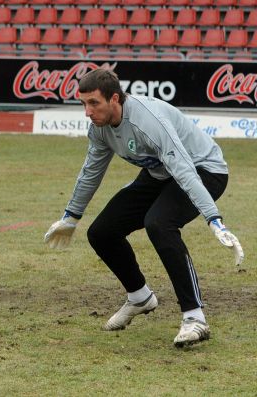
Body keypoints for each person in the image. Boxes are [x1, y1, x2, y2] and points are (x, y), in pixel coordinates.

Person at [44, 69, 243, 348]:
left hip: (203, 171)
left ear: (114, 99)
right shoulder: (99, 129)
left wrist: (214, 218)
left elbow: (184, 169)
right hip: (160, 174)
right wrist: (71, 216)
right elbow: (91, 171)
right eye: (83, 104)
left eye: (93, 103)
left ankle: (195, 318)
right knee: (102, 232)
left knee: (159, 223)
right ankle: (139, 297)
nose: (87, 112)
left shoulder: (147, 122)